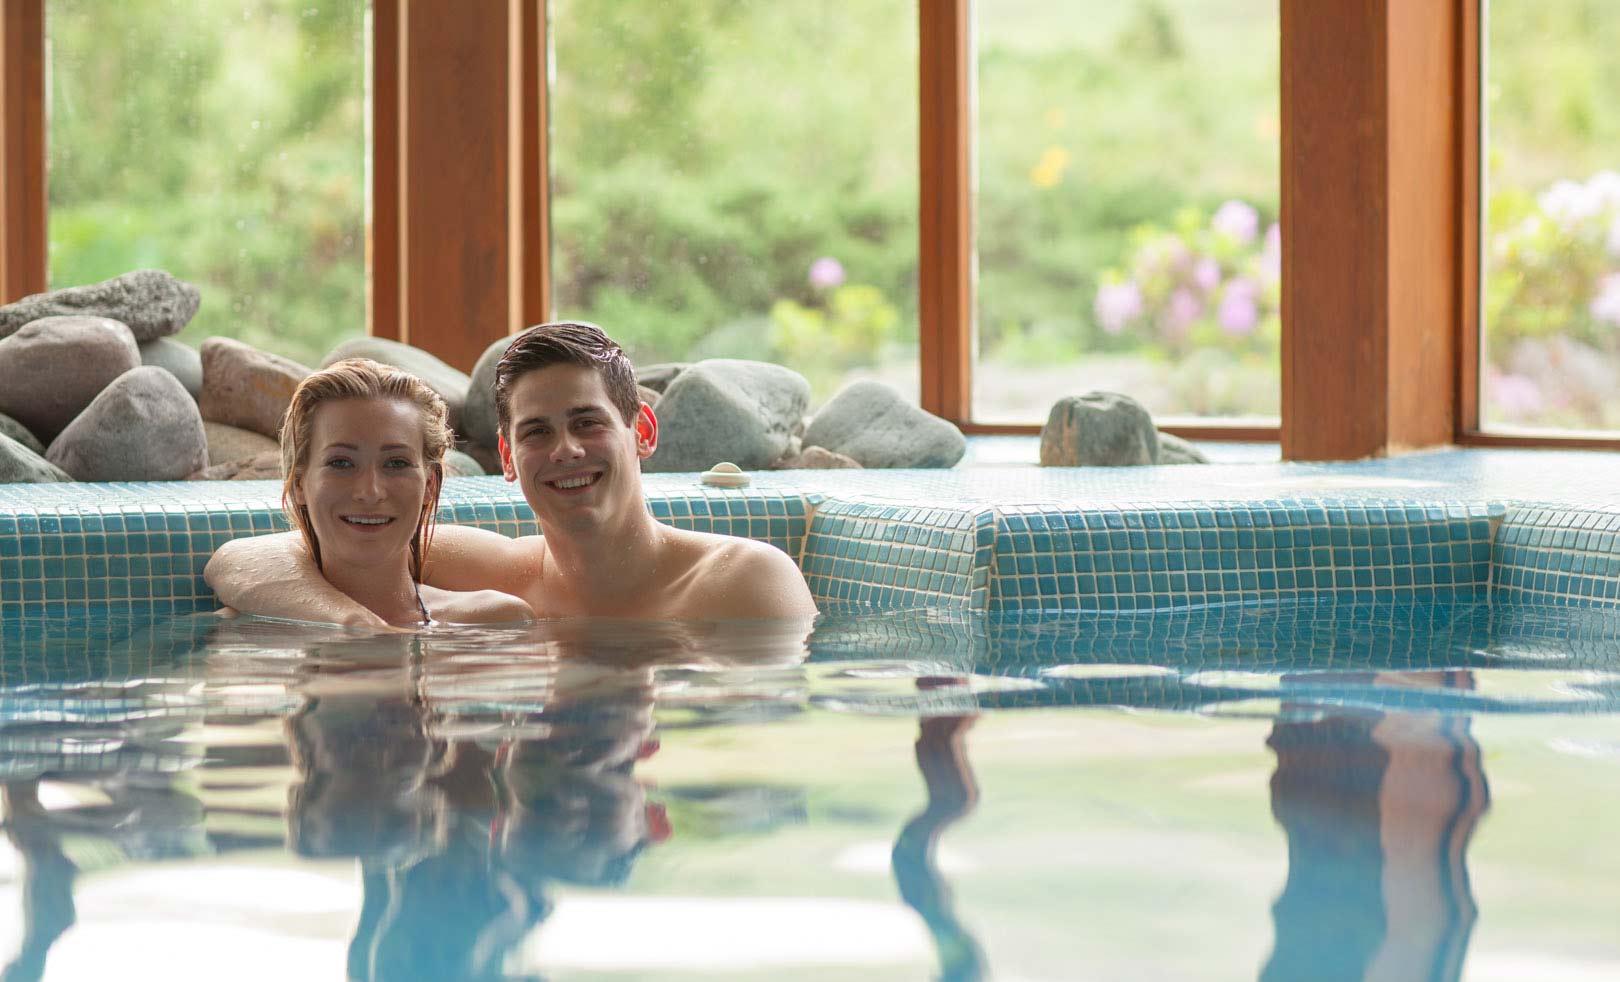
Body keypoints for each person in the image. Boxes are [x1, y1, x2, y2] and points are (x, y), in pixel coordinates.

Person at [207, 323, 816, 626]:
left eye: (588, 423)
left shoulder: (743, 583)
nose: (566, 450)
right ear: (505, 455)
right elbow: (250, 557)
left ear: (644, 432)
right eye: (537, 431)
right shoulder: (492, 570)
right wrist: (352, 625)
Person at [264, 357, 533, 626]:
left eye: (396, 463)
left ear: (430, 484)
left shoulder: (492, 623)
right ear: (299, 483)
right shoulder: (253, 635)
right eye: (341, 463)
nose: (370, 492)